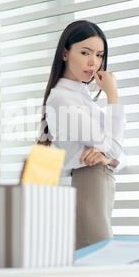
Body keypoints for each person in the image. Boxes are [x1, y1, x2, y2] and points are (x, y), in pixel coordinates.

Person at [37, 20, 126, 249]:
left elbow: (118, 153)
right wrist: (113, 97)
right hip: (88, 181)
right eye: (85, 52)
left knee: (97, 258)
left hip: (101, 181)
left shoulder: (83, 96)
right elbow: (114, 145)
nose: (93, 62)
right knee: (97, 258)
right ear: (65, 53)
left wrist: (107, 157)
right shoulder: (62, 98)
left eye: (99, 55)